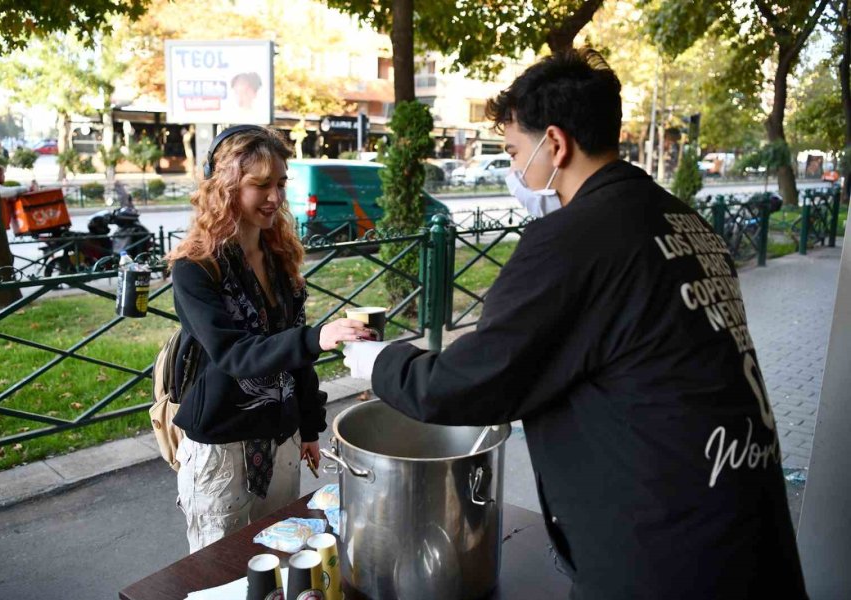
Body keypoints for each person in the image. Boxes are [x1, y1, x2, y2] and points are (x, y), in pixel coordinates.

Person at [343, 49, 806, 599]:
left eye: (515, 151)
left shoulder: (575, 238)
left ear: (555, 144)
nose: (516, 169)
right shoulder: (683, 220)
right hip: (745, 530)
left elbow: (467, 386)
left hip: (664, 556)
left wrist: (383, 362)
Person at [166, 125, 371, 553]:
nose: (275, 198)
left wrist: (310, 426)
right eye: (260, 184)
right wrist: (317, 337)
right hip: (222, 451)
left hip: (283, 443)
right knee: (220, 573)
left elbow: (295, 356)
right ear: (224, 186)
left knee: (282, 563)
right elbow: (234, 354)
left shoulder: (279, 258)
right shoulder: (195, 268)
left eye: (280, 184)